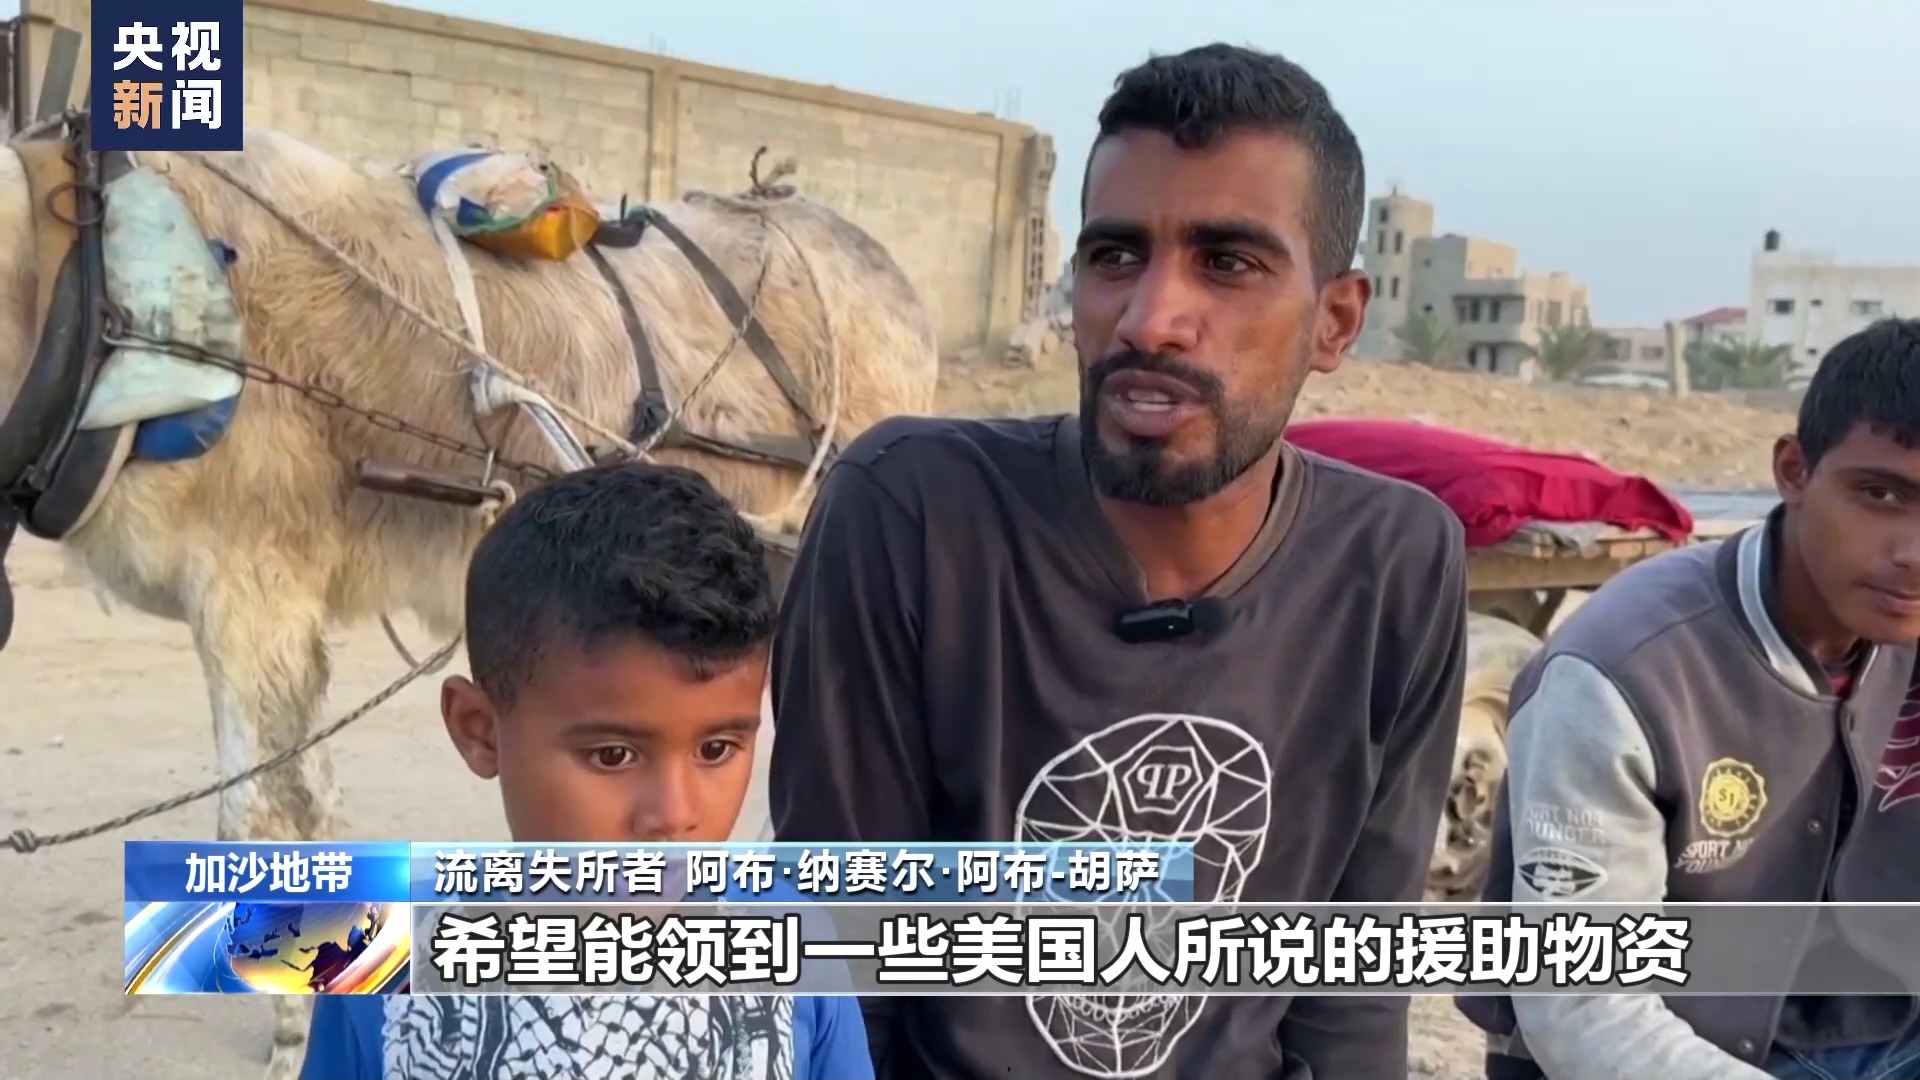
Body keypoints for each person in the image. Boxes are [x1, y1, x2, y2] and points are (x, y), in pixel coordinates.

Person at [769, 42, 1469, 1080]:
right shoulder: (911, 511)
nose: (1149, 320)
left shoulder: (1396, 563)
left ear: (1335, 320)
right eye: (1114, 256)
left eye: (1227, 263)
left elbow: (1351, 1003)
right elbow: (841, 964)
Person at [299, 461, 872, 1080]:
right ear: (479, 729)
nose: (673, 816)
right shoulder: (374, 949)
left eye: (716, 750)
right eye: (613, 755)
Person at [1457, 318, 1920, 1080]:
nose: (1911, 554)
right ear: (1794, 470)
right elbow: (1583, 1008)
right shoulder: (1622, 672)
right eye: (1879, 494)